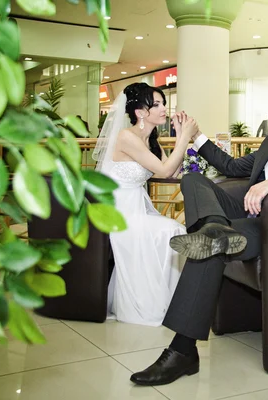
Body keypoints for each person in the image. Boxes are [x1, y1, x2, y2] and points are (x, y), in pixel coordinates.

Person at [129, 81, 268, 386]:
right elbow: (231, 165)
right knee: (194, 183)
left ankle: (182, 351)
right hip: (238, 215)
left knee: (208, 246)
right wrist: (196, 137)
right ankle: (214, 227)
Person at [93, 82, 199, 326]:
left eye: (163, 103)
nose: (164, 109)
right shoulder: (126, 137)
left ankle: (171, 301)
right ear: (140, 112)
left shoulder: (150, 138)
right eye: (158, 104)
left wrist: (182, 139)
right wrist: (183, 137)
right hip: (119, 212)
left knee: (173, 229)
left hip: (136, 207)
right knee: (171, 230)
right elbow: (164, 168)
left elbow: (169, 174)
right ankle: (155, 303)